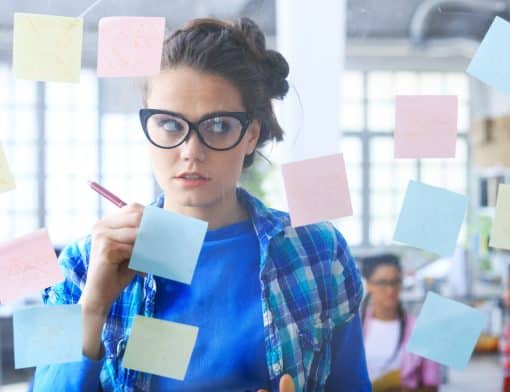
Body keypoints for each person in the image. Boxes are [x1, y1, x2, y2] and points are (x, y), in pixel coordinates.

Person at [32, 17, 370, 391]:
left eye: (219, 126)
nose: (191, 152)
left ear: (250, 134)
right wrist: (92, 307)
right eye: (170, 125)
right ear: (147, 128)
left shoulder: (318, 251)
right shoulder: (80, 265)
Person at [361, 253, 440, 392]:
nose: (390, 290)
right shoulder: (353, 328)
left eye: (395, 281)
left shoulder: (422, 329)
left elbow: (432, 385)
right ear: (368, 284)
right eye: (382, 283)